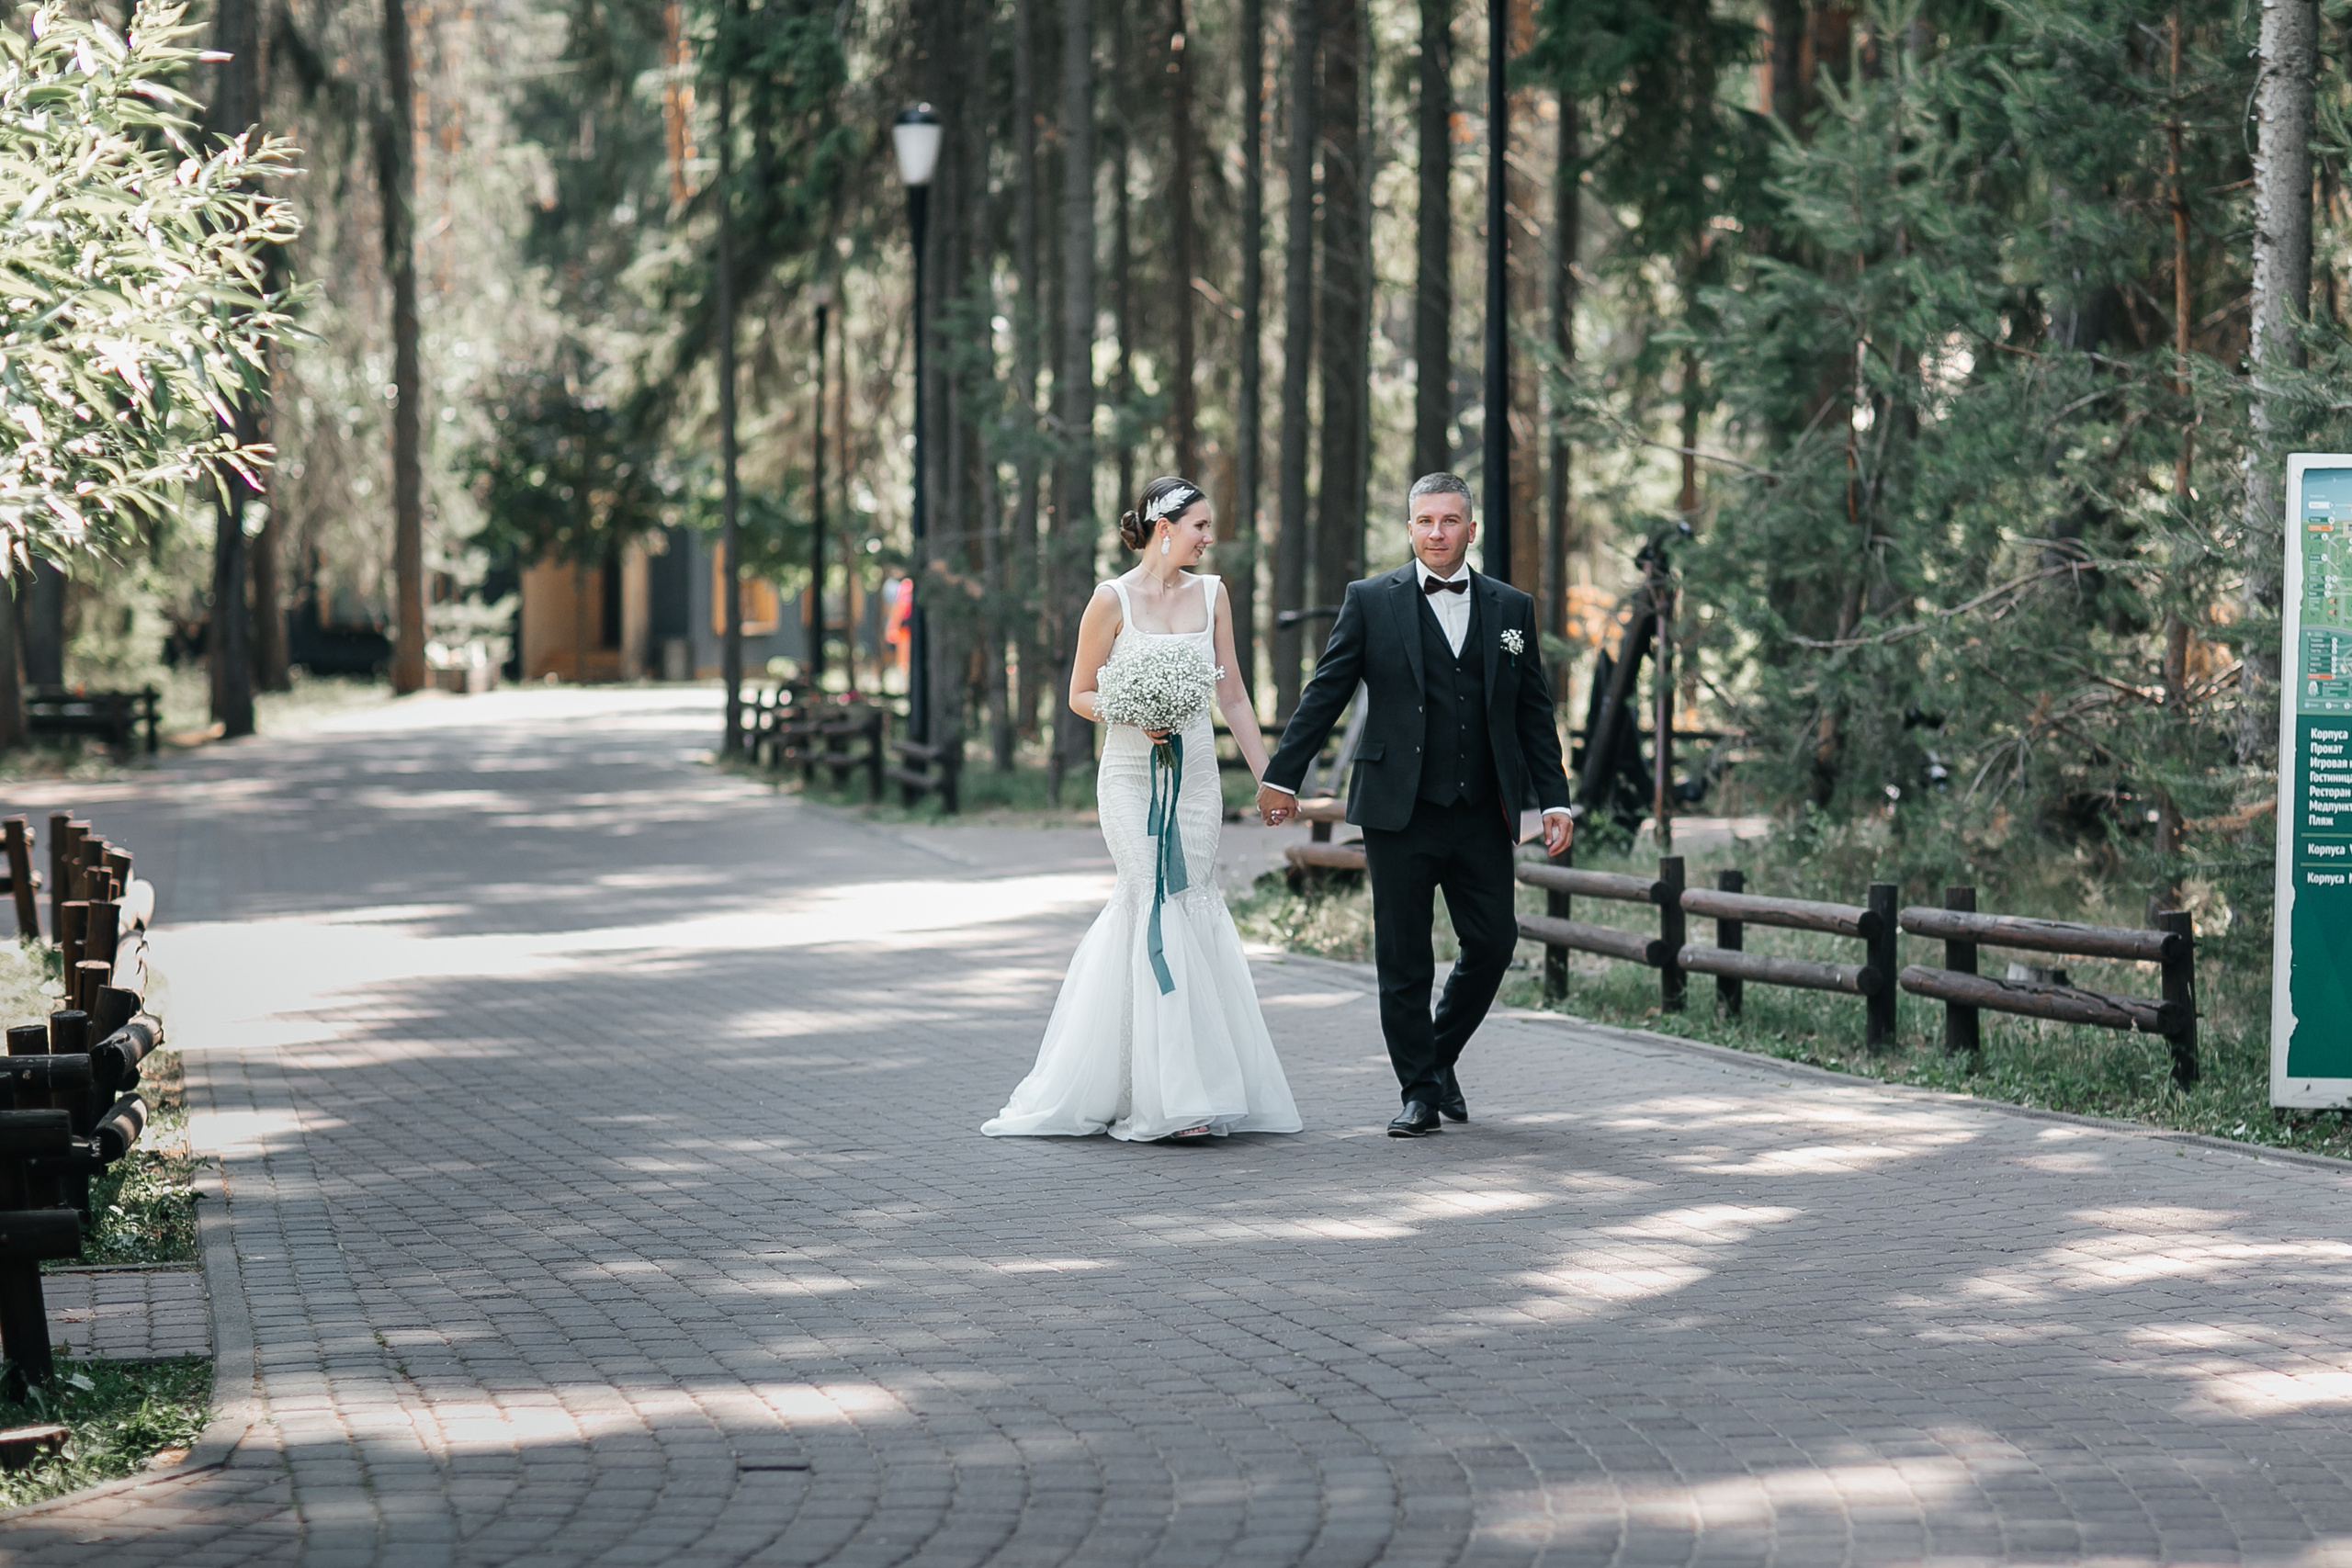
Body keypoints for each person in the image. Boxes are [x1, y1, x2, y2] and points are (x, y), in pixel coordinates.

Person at [983, 477, 1304, 1144]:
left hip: (1196, 783)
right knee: (1149, 895)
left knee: (1190, 899)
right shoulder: (1111, 601)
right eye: (1200, 526)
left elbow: (1235, 695)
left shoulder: (1212, 595)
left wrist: (1270, 780)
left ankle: (1195, 1080)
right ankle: (1166, 1093)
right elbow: (1078, 693)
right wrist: (1130, 710)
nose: (1209, 538)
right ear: (1165, 526)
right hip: (1129, 774)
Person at [1256, 473, 1574, 1137]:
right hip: (1397, 807)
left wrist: (1556, 798)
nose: (1437, 532)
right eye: (1425, 521)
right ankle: (1418, 1093)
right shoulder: (1371, 600)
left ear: (1471, 529)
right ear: (1409, 528)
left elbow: (1533, 712)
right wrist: (1283, 774)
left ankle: (1439, 1051)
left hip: (1483, 807)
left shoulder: (1511, 608)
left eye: (1450, 520)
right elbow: (1327, 690)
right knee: (1404, 956)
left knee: (1493, 941)